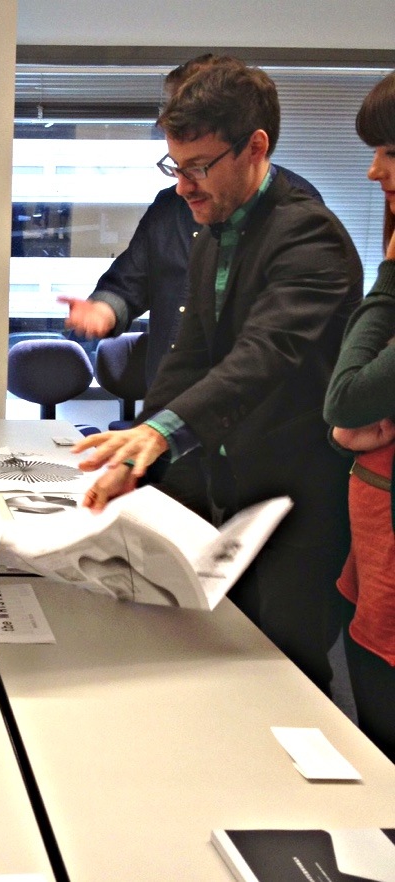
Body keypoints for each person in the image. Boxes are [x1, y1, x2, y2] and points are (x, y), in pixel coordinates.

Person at [71, 63, 362, 695]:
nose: (183, 186)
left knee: (287, 670)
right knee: (216, 654)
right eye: (174, 167)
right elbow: (190, 355)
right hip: (228, 481)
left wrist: (160, 434)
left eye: (198, 167)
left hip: (295, 497)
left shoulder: (309, 234)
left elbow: (262, 355)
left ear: (255, 147)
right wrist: (141, 446)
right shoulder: (214, 229)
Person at [62, 54, 322, 387]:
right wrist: (104, 310)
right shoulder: (169, 207)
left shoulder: (299, 216)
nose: (183, 187)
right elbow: (129, 282)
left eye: (198, 167)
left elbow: (284, 348)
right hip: (172, 402)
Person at [322, 71, 395, 762]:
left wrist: (392, 276)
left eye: (392, 152)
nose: (375, 171)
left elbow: (348, 399)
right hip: (376, 557)